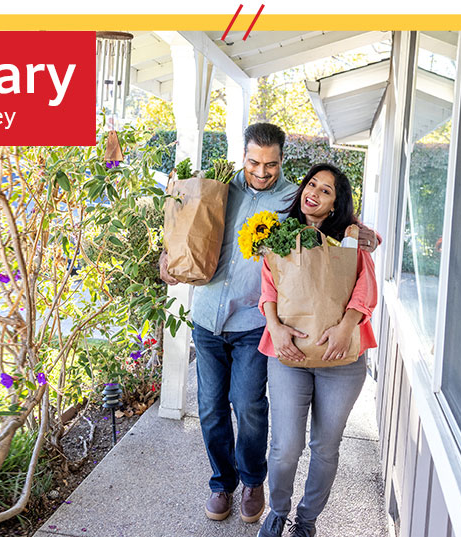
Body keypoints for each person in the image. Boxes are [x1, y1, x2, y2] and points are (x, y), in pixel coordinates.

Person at [159, 124, 379, 524]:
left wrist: (365, 235)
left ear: (282, 160)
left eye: (271, 164)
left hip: (253, 322)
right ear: (242, 157)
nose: (262, 171)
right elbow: (185, 225)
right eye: (254, 162)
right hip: (207, 314)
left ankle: (252, 481)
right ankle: (221, 484)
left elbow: (340, 224)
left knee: (248, 404)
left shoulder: (295, 198)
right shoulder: (220, 188)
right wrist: (167, 255)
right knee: (210, 408)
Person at [257, 163, 378, 537]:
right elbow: (269, 288)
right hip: (289, 355)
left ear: (335, 205)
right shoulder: (277, 235)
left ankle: (306, 521)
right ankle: (277, 513)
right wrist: (275, 328)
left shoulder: (350, 239)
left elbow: (366, 286)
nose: (315, 193)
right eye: (312, 184)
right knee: (285, 446)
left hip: (341, 361)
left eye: (326, 191)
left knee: (325, 446)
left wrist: (346, 327)